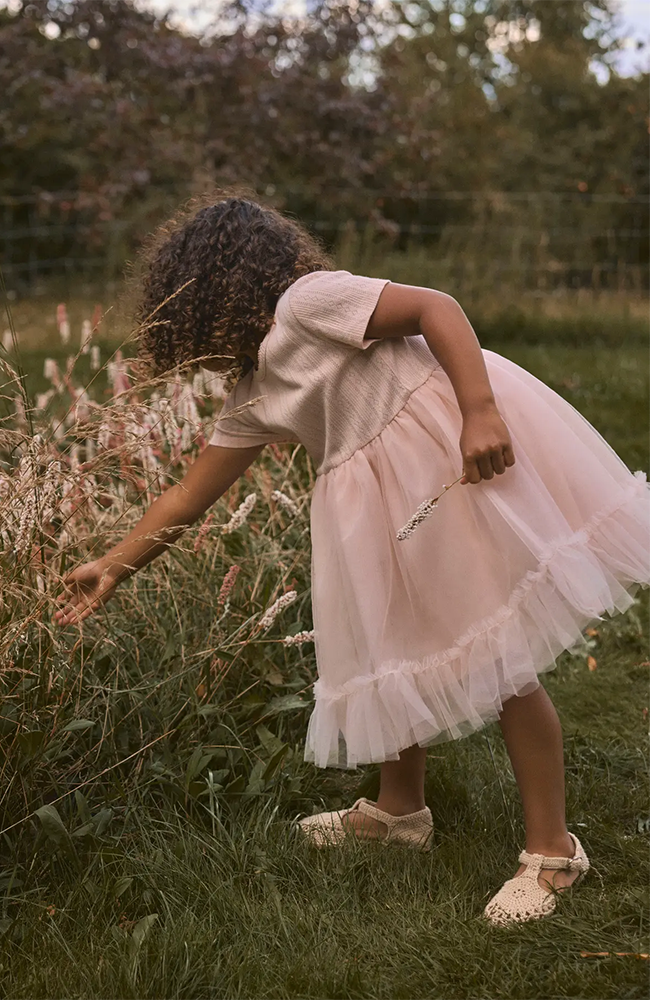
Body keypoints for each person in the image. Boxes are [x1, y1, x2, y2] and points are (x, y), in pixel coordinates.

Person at [54, 193, 650, 927]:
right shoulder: (252, 393)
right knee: (390, 645)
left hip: (448, 466)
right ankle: (400, 813)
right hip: (372, 512)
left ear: (210, 291)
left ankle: (553, 853)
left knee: (500, 657)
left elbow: (438, 307)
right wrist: (116, 562)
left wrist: (479, 410)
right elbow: (185, 496)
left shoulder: (311, 302)